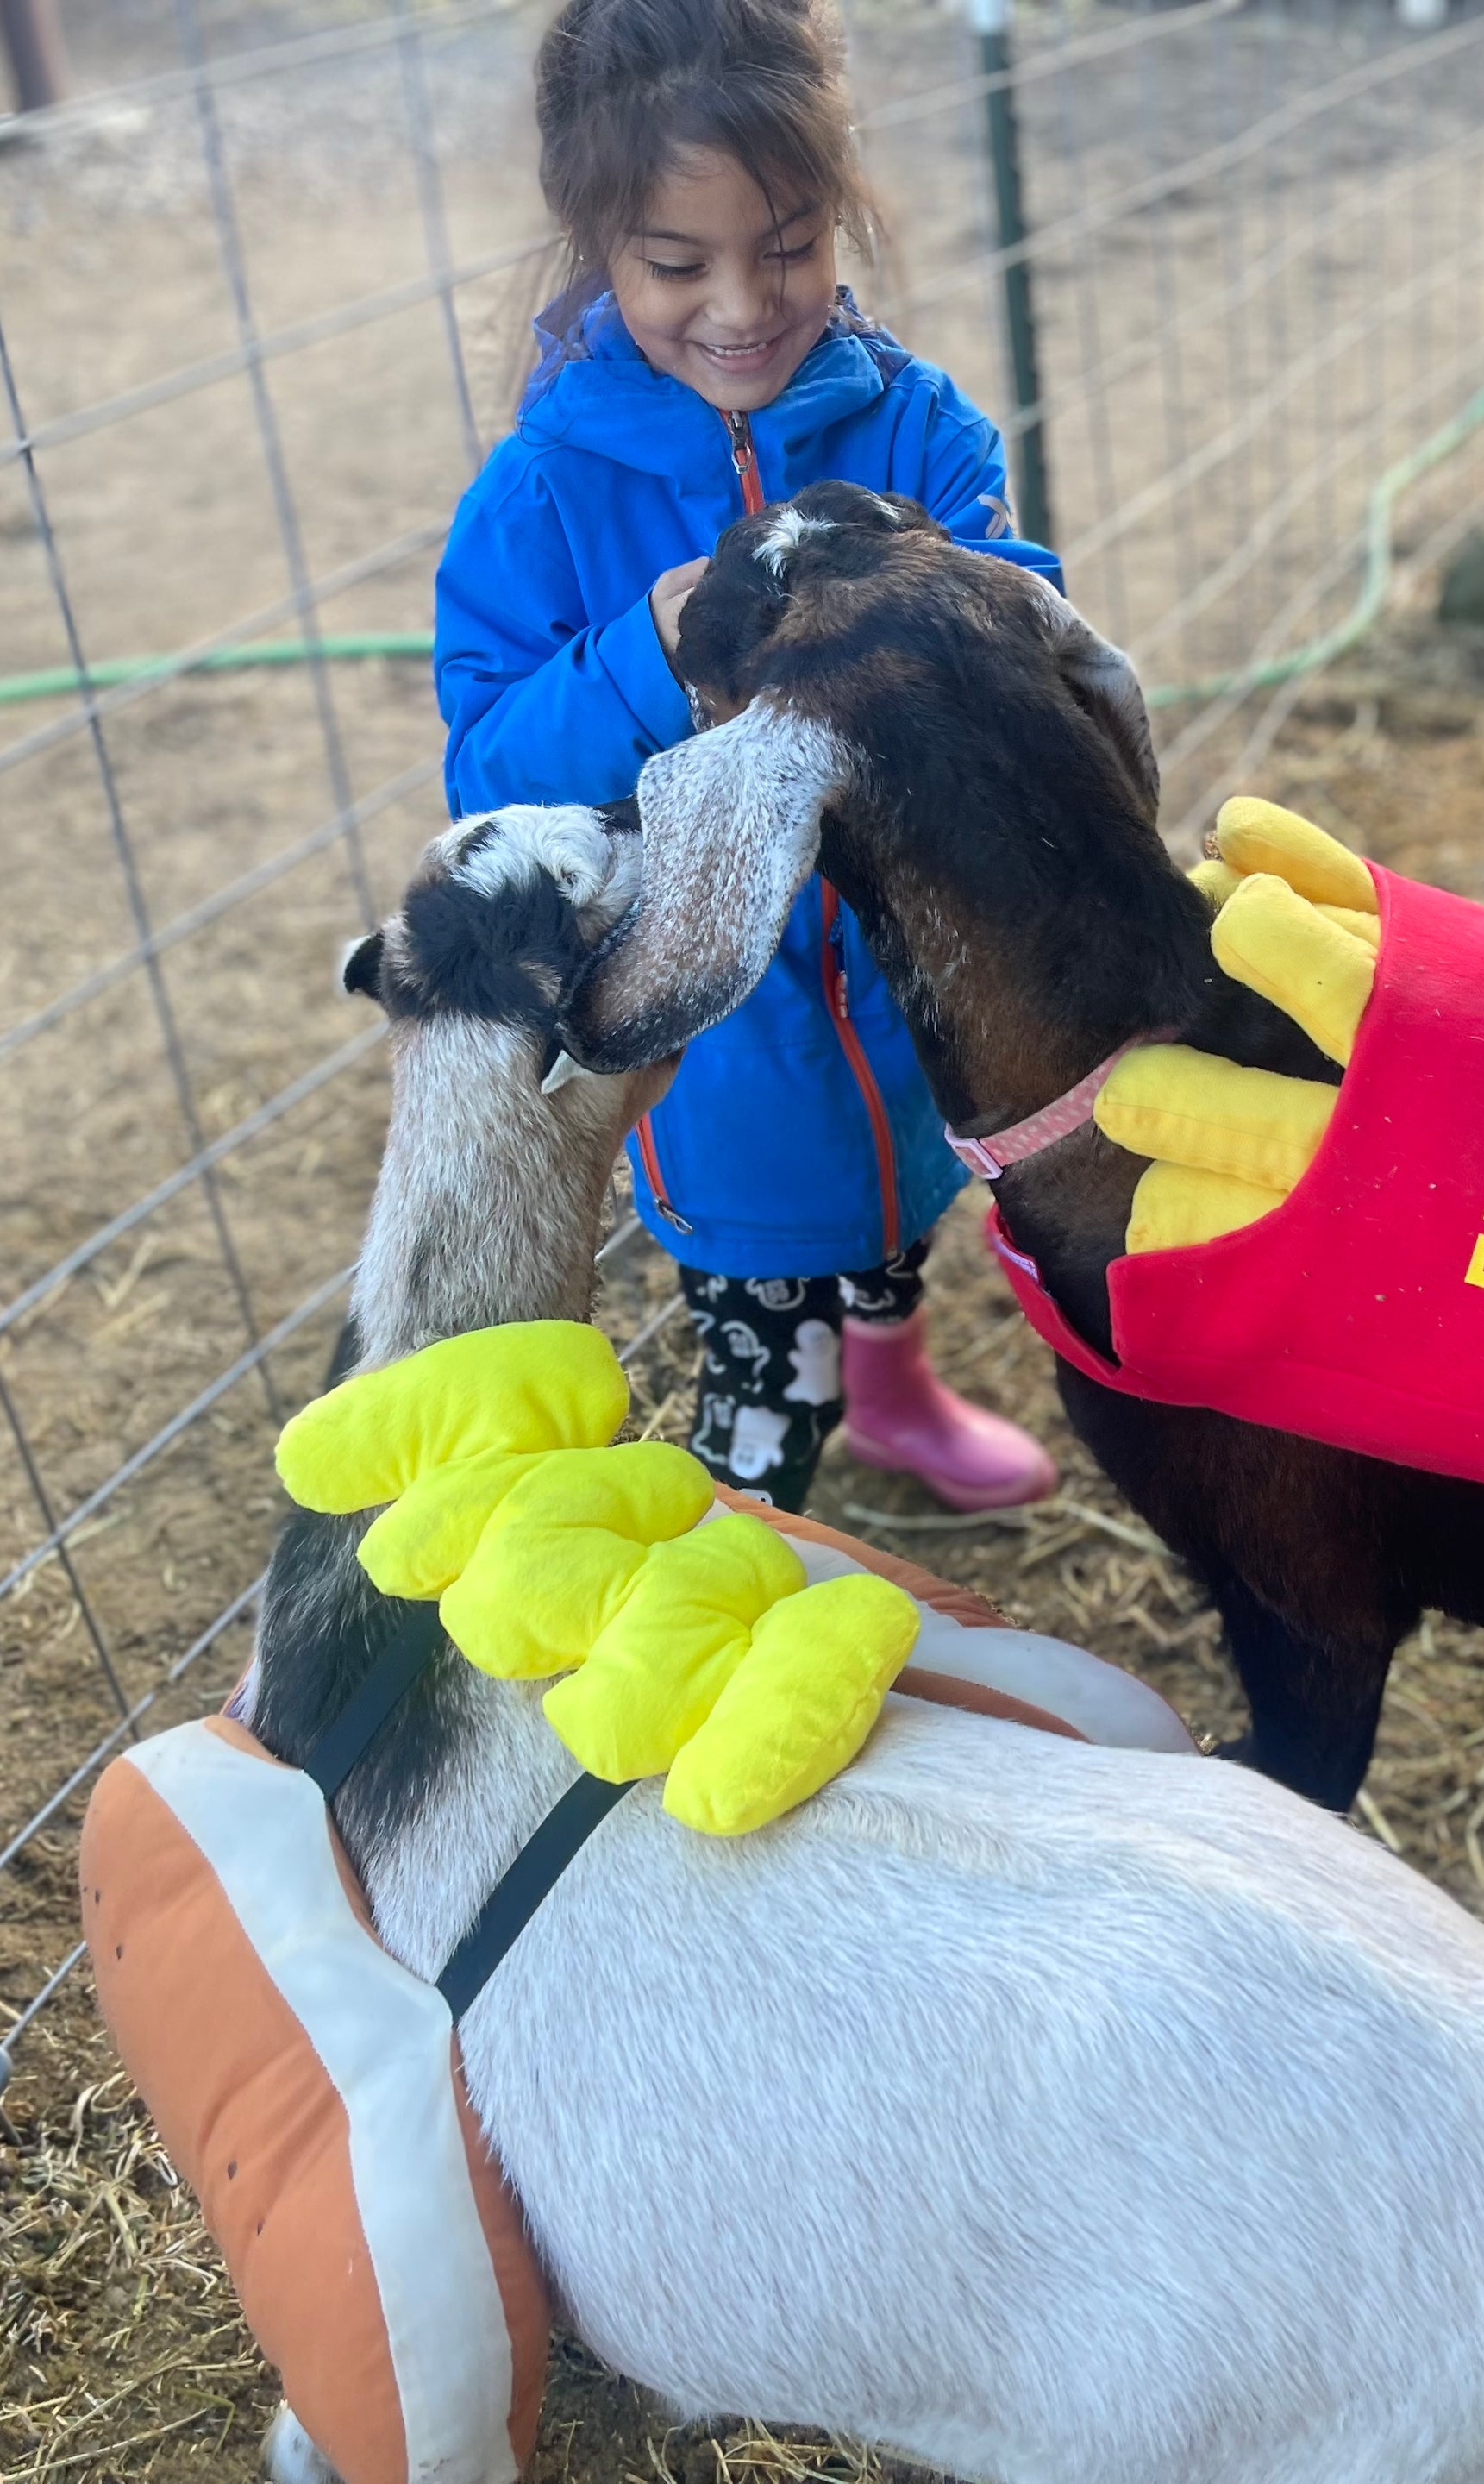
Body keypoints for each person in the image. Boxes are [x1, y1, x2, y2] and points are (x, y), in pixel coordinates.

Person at [434, 0, 1063, 1516]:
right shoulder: (544, 496)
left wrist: (980, 603)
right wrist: (643, 654)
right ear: (599, 242)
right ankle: (757, 1550)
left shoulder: (916, 430)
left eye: (787, 247)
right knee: (765, 1350)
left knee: (903, 1215)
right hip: (716, 1021)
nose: (740, 305)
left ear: (837, 210)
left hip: (918, 975)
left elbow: (1020, 610)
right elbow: (491, 772)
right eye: (677, 265)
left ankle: (898, 1387)